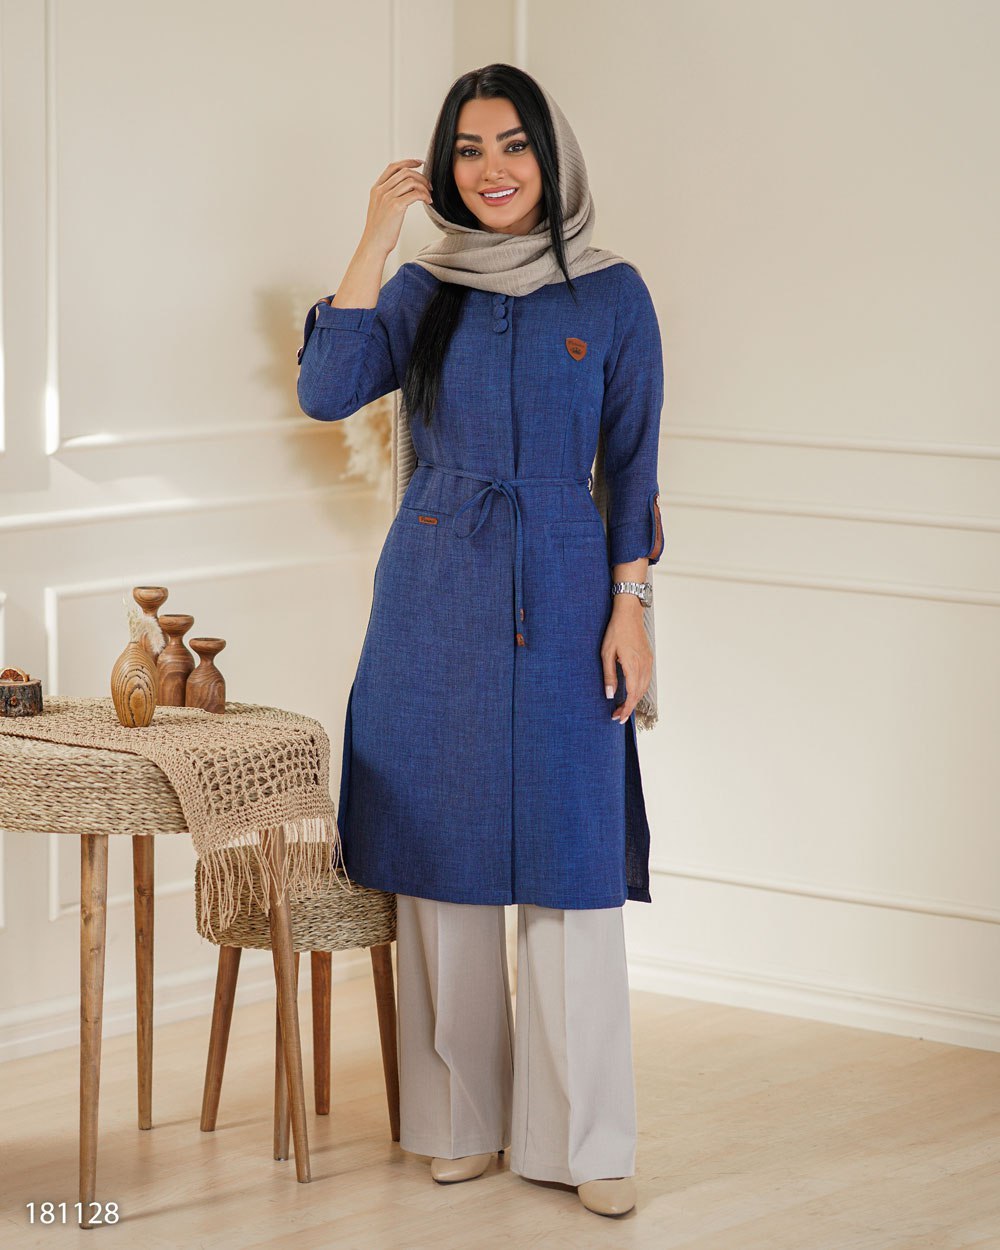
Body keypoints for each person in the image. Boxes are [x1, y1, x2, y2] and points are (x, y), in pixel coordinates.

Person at [296, 63, 664, 1219]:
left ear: (550, 158)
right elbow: (327, 387)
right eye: (468, 149)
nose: (492, 169)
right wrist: (374, 236)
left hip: (568, 588)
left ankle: (585, 1139)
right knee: (443, 864)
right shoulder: (422, 288)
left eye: (512, 145)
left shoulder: (611, 293)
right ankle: (457, 1117)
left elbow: (634, 461)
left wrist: (632, 605)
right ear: (442, 166)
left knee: (571, 861)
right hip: (434, 592)